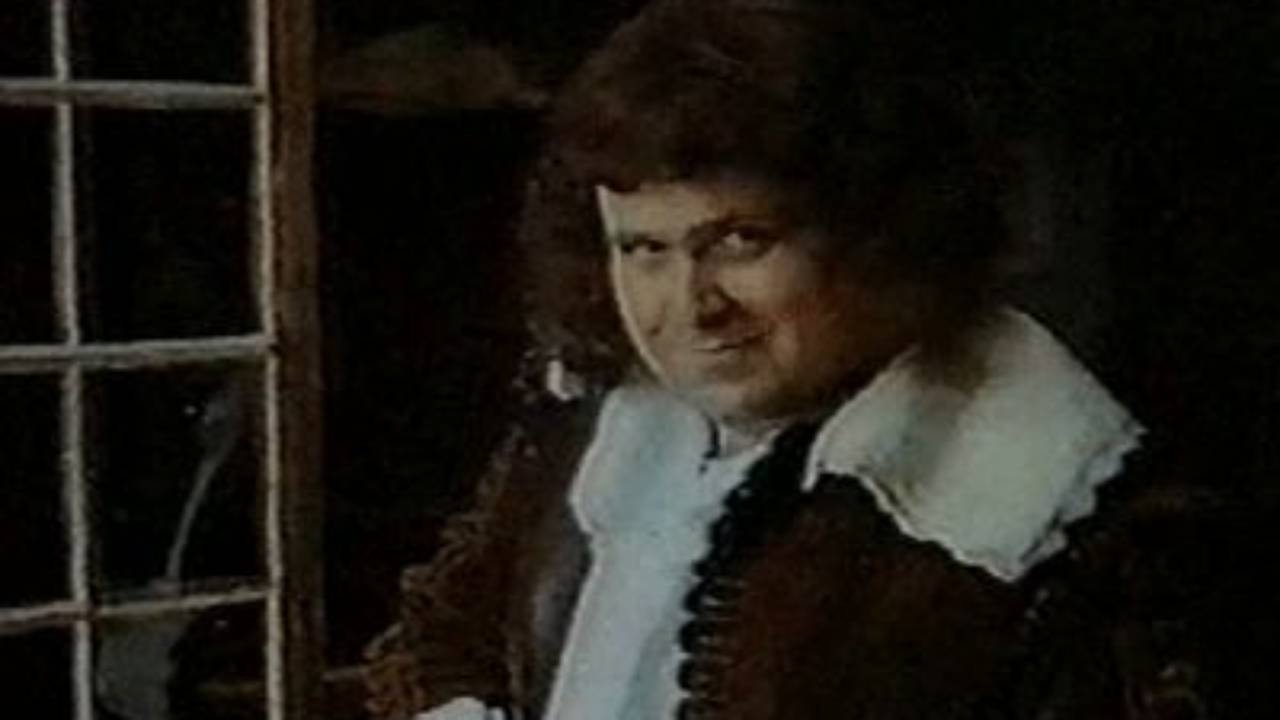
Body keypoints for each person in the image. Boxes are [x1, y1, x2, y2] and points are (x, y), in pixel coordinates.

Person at [364, 1, 1216, 717]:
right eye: (644, 250)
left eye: (741, 241)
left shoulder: (1062, 501)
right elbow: (444, 635)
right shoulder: (598, 420)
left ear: (870, 233)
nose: (691, 306)